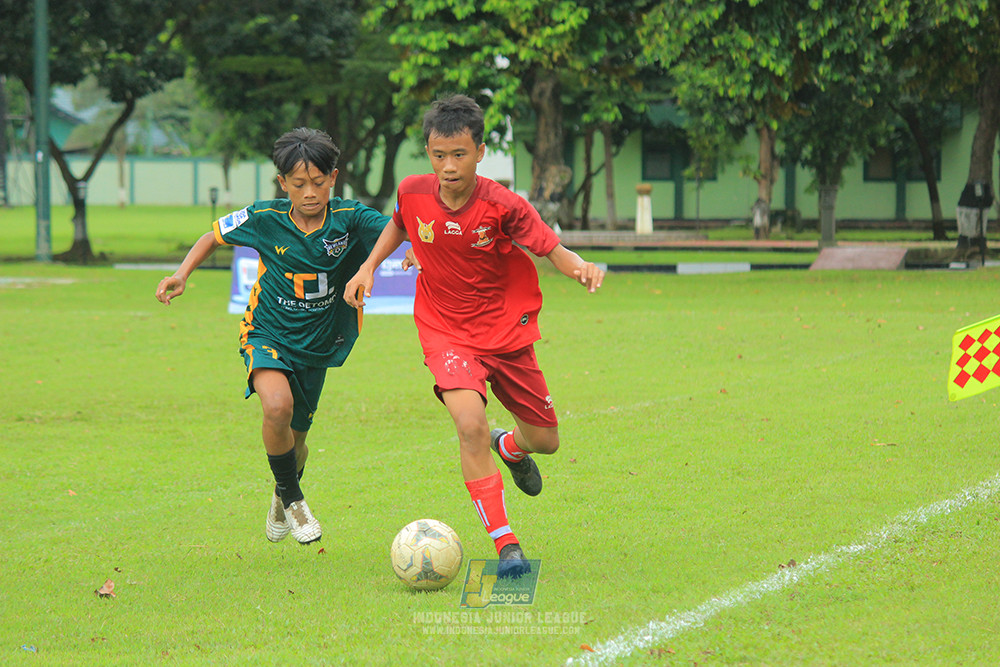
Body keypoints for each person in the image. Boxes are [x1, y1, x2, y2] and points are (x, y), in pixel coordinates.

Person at [345, 94, 604, 577]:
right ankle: (507, 546)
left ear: (480, 152)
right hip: (445, 331)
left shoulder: (503, 205)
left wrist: (581, 268)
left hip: (505, 332)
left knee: (546, 441)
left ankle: (512, 448)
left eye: (459, 154)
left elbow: (551, 247)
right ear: (428, 152)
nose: (447, 166)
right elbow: (400, 224)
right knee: (469, 425)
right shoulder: (411, 190)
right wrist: (367, 268)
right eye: (438, 155)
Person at [155, 127, 388, 545]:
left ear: (333, 177)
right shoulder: (265, 218)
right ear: (283, 184)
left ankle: (282, 493)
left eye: (318, 182)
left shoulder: (351, 219)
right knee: (276, 407)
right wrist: (181, 273)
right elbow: (214, 235)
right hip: (266, 332)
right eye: (299, 184)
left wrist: (394, 259)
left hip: (318, 344)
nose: (310, 192)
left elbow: (395, 231)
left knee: (297, 439)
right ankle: (296, 501)